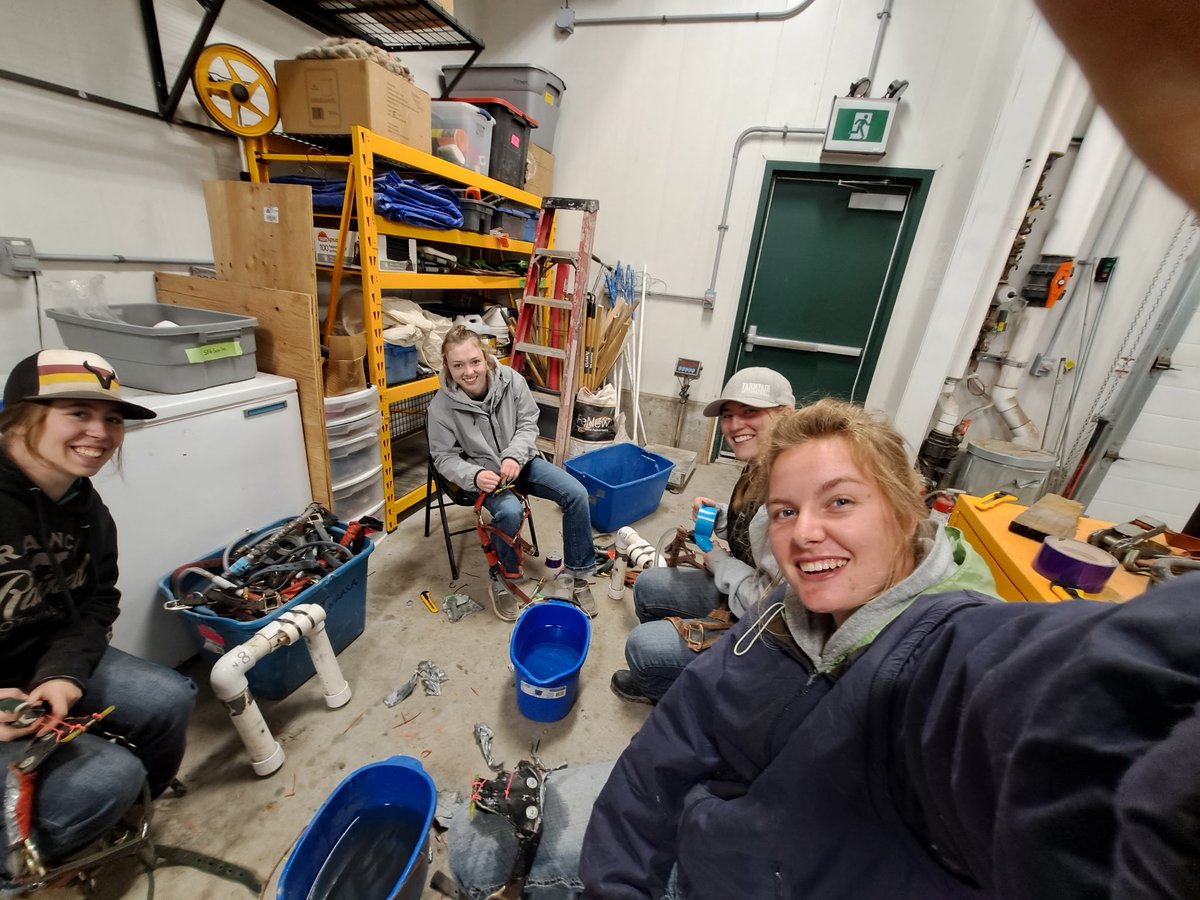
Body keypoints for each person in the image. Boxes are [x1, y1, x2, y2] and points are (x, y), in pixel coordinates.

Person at [0, 349, 196, 877]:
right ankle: (20, 870)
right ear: (20, 417)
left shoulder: (85, 508)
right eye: (78, 413)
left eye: (112, 418)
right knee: (106, 777)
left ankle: (125, 816)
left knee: (170, 698)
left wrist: (62, 671)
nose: (101, 432)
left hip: (44, 662)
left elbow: (96, 601)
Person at [610, 367, 792, 704]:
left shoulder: (793, 492)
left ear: (786, 415)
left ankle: (682, 698)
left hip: (771, 636)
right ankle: (671, 673)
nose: (736, 425)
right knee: (650, 586)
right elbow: (755, 525)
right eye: (728, 415)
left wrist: (719, 561)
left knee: (642, 646)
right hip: (745, 592)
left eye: (750, 412)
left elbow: (772, 607)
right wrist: (722, 517)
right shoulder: (762, 462)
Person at [427, 325, 596, 621]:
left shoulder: (511, 381)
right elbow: (443, 457)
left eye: (474, 361)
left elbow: (529, 422)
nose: (468, 371)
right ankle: (506, 576)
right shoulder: (440, 408)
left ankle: (578, 575)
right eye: (458, 365)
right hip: (483, 476)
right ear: (447, 367)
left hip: (522, 462)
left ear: (486, 357)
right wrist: (475, 474)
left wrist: (514, 456)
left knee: (577, 494)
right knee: (509, 512)